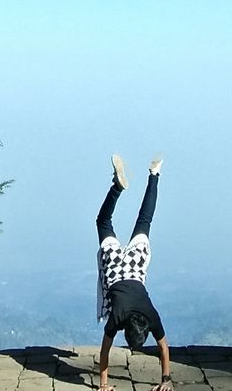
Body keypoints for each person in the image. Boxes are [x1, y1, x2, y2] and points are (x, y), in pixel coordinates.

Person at [96, 154, 172, 391]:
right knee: (103, 222)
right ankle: (118, 187)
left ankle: (154, 174)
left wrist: (166, 379)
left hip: (135, 266)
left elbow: (163, 348)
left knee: (144, 220)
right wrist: (104, 384)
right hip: (116, 267)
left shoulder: (150, 315)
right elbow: (105, 351)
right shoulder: (118, 316)